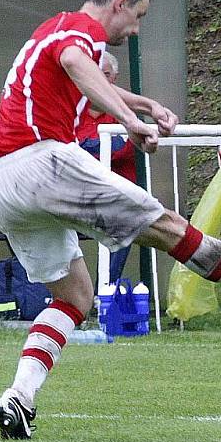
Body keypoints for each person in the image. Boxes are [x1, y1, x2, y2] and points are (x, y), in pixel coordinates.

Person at [0, 0, 221, 440]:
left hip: (2, 185)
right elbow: (79, 65)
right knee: (169, 229)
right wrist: (130, 121)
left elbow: (77, 75)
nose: (135, 28)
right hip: (42, 162)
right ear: (118, 2)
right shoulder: (84, 30)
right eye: (136, 16)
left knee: (74, 296)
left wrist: (143, 105)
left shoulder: (50, 29)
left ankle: (19, 396)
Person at [77, 50, 136, 282]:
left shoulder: (125, 114)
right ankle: (62, 293)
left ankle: (106, 291)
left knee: (125, 225)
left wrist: (85, 148)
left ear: (115, 80)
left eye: (106, 74)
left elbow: (121, 150)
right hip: (76, 194)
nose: (100, 79)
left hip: (114, 197)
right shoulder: (72, 114)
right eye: (95, 73)